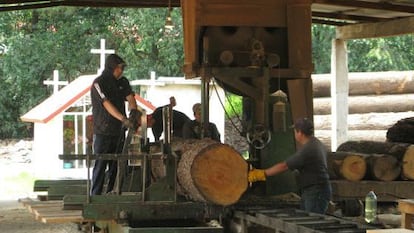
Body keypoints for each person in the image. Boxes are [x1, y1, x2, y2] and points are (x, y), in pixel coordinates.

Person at [248, 117, 331, 214]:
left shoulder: (308, 149)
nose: (294, 134)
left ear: (300, 132)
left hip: (316, 191)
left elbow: (284, 166)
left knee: (312, 224)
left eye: (295, 132)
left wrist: (261, 174)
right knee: (307, 220)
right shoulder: (316, 143)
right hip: (313, 189)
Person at [90, 54, 140, 195]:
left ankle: (112, 194)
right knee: (100, 165)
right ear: (113, 67)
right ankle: (95, 197)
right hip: (103, 132)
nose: (122, 71)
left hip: (118, 132)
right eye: (120, 67)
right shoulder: (98, 83)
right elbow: (107, 104)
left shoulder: (122, 82)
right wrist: (123, 119)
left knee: (116, 166)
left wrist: (134, 112)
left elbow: (130, 98)